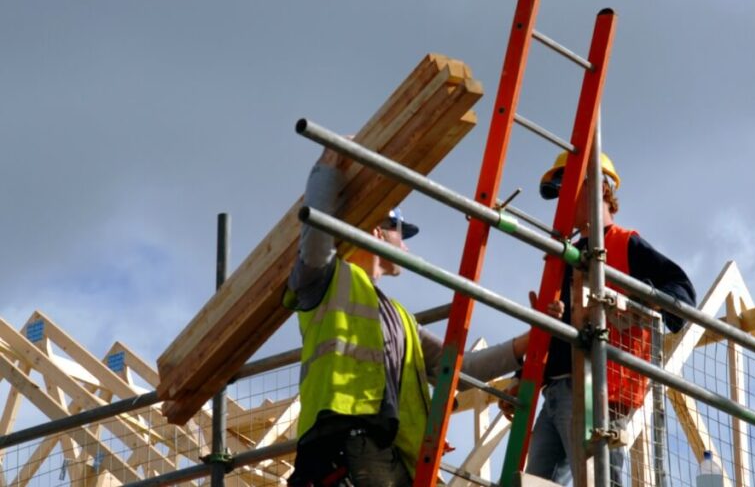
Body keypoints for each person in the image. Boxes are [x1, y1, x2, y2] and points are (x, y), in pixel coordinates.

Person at [285, 145, 560, 487]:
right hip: (344, 441)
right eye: (401, 233)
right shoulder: (327, 281)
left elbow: (460, 369)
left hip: (388, 450)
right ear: (377, 230)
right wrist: (327, 167)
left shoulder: (400, 319)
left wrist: (530, 341)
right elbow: (314, 240)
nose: (406, 247)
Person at [506, 151, 697, 485]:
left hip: (602, 391)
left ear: (598, 187)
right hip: (556, 391)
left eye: (569, 189)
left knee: (599, 482)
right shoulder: (566, 257)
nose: (562, 202)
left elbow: (681, 290)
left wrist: (641, 300)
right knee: (536, 483)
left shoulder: (625, 244)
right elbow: (555, 331)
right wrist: (523, 375)